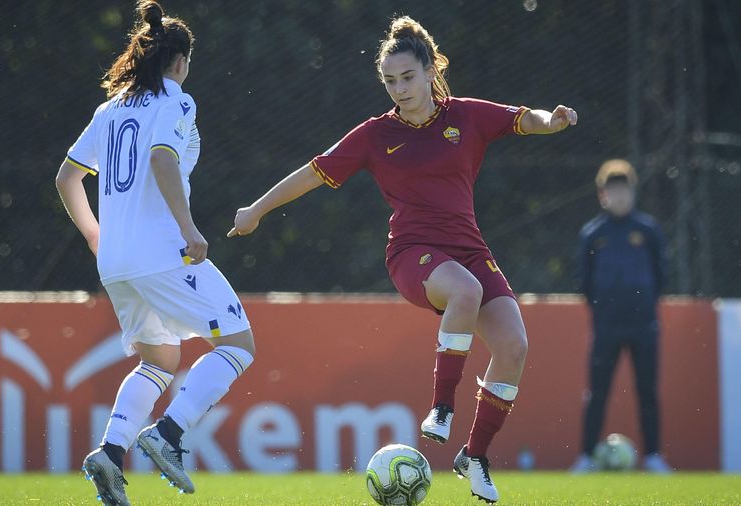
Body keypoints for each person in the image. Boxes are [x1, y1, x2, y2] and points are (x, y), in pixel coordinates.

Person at [229, 15, 576, 504]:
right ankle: (441, 408)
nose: (399, 89)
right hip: (413, 253)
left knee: (514, 346)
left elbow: (524, 119)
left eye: (408, 77)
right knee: (466, 291)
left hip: (469, 249)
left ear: (431, 70)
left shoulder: (467, 116)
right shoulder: (375, 134)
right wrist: (257, 209)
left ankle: (474, 456)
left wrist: (552, 120)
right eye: (390, 81)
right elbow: (313, 172)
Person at [55, 1, 255, 503]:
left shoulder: (109, 109)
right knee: (238, 344)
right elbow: (163, 160)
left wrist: (94, 235)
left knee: (161, 360)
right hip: (162, 253)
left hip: (116, 263)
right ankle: (168, 434)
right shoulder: (176, 101)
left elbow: (67, 178)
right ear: (181, 61)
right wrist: (190, 229)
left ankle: (111, 451)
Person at [571, 160, 672, 474]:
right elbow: (584, 281)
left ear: (633, 192)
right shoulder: (592, 233)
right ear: (602, 194)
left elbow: (661, 275)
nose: (619, 196)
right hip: (606, 327)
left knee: (647, 392)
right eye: (613, 190)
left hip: (644, 326)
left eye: (624, 190)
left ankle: (653, 457)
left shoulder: (648, 230)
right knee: (597, 393)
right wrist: (605, 308)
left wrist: (642, 305)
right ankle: (586, 457)